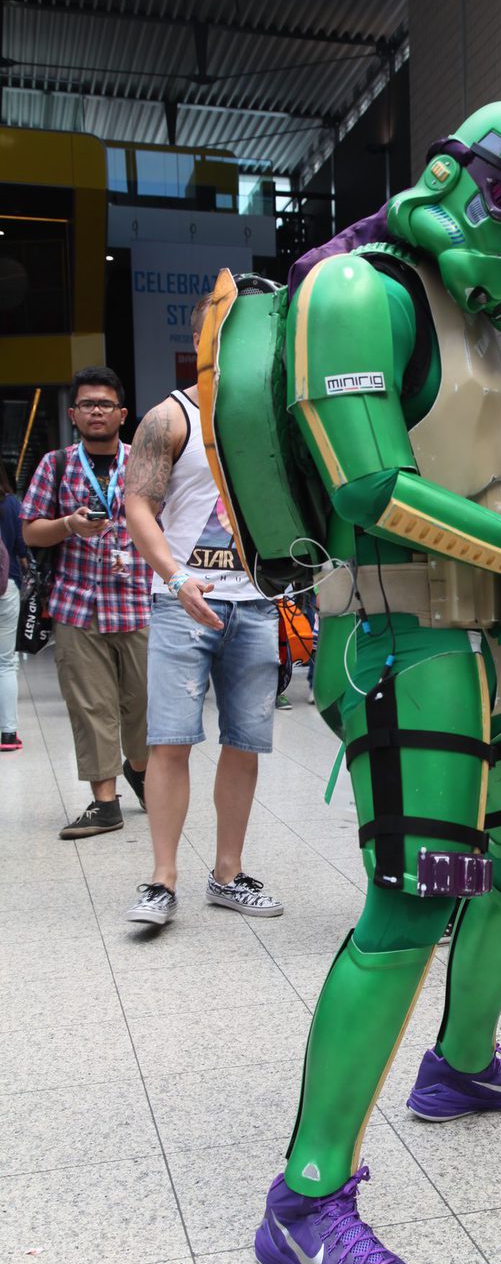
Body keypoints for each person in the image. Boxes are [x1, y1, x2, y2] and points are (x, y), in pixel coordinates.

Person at [202, 100, 501, 1264]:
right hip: (391, 637)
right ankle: (306, 1197)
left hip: (476, 635)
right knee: (412, 897)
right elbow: (373, 478)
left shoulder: (472, 315)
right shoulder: (355, 293)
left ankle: (462, 1065)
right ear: (454, 181)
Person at [123, 298, 284, 926]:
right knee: (169, 742)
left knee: (244, 743)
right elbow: (139, 506)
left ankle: (228, 872)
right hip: (181, 604)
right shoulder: (169, 416)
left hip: (257, 605)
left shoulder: (270, 419)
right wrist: (175, 574)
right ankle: (162, 880)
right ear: (201, 340)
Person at [20, 367, 151, 836]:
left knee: (144, 705)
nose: (97, 411)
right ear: (74, 414)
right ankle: (105, 802)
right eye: (88, 404)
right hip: (76, 606)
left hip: (138, 603)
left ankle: (139, 767)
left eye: (106, 404)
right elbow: (31, 529)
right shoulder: (54, 465)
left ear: (122, 413)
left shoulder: (143, 464)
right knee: (91, 706)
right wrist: (69, 526)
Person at [0, 463, 27, 751]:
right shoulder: (11, 504)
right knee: (5, 662)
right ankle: (7, 734)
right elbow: (22, 547)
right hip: (5, 587)